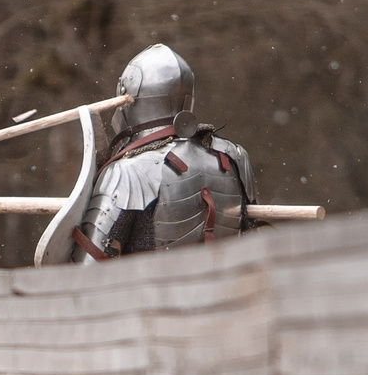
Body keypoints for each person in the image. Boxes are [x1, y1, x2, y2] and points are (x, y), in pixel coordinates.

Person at [69, 44, 256, 261]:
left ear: (128, 99)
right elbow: (252, 237)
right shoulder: (233, 157)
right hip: (227, 289)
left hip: (154, 293)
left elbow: (88, 267)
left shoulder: (129, 171)